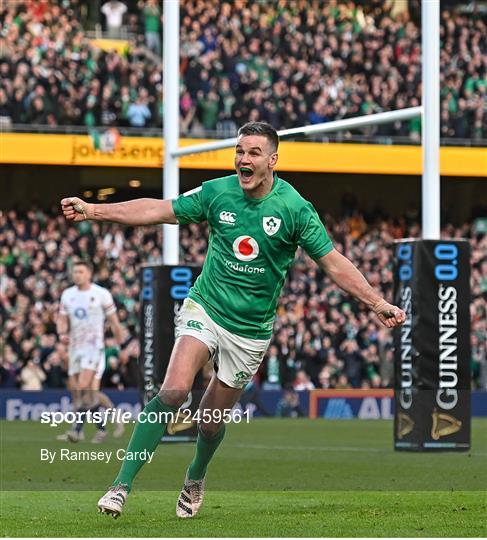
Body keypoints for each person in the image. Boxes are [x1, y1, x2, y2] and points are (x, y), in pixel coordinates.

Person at [61, 121, 406, 519]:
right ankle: (121, 485)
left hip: (250, 331)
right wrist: (93, 210)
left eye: (254, 153)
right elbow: (159, 209)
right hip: (206, 307)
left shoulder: (294, 208)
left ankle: (195, 476)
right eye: (240, 151)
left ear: (273, 160)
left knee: (209, 422)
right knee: (173, 391)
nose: (244, 158)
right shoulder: (217, 192)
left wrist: (376, 302)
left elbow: (332, 263)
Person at [56, 260, 125, 443]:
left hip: (94, 348)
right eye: (74, 271)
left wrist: (120, 346)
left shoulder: (101, 294)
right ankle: (104, 427)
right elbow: (61, 319)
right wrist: (62, 332)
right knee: (82, 393)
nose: (76, 274)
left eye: (80, 271)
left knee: (84, 387)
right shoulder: (67, 295)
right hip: (75, 348)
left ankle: (76, 431)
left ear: (89, 274)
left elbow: (114, 322)